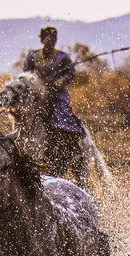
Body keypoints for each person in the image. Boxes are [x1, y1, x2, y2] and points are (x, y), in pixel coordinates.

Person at [22, 26, 86, 177]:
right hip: (37, 93)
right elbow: (25, 73)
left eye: (53, 38)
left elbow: (70, 73)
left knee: (62, 113)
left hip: (57, 94)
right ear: (42, 39)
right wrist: (37, 82)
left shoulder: (63, 58)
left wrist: (60, 82)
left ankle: (70, 141)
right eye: (48, 38)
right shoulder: (32, 56)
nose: (51, 41)